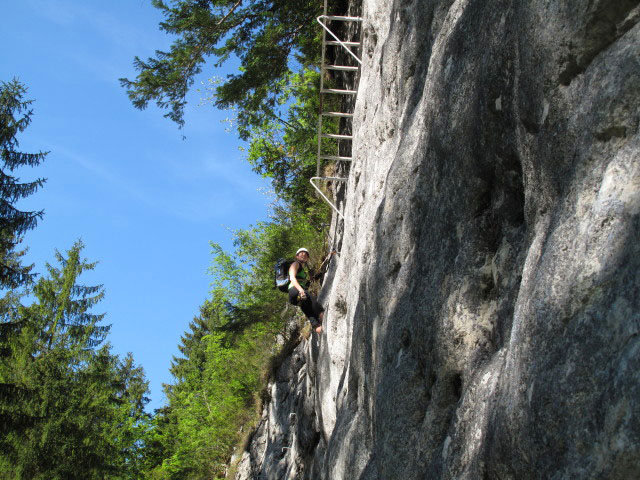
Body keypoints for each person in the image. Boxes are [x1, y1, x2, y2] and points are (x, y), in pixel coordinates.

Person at [288, 247, 324, 334]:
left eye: (306, 254)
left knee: (308, 310)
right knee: (313, 302)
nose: (304, 254)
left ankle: (318, 327)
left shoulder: (303, 271)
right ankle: (324, 317)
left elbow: (308, 282)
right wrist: (301, 290)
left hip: (294, 297)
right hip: (295, 290)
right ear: (297, 256)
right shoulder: (295, 264)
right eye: (301, 253)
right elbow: (292, 277)